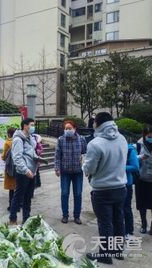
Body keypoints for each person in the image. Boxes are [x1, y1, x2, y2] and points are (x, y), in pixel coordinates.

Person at [83, 112, 127, 264]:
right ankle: (118, 250)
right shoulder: (122, 138)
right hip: (121, 187)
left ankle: (105, 254)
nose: (93, 124)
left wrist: (85, 168)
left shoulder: (95, 143)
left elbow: (90, 168)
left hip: (103, 190)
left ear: (98, 123)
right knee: (119, 220)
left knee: (105, 223)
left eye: (94, 121)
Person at [54, 120, 87, 225]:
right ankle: (65, 215)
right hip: (65, 171)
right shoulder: (61, 140)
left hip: (78, 171)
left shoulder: (81, 139)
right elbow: (57, 155)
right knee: (64, 193)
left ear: (75, 128)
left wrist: (86, 168)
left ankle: (77, 216)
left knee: (78, 194)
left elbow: (85, 154)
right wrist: (57, 168)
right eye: (66, 128)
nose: (67, 130)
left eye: (69, 128)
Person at [9, 118, 39, 225]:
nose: (33, 127)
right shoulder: (18, 139)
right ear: (25, 126)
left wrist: (37, 158)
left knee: (28, 197)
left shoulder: (30, 138)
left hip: (32, 171)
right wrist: (25, 170)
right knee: (18, 196)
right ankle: (13, 219)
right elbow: (17, 158)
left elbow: (30, 153)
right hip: (23, 173)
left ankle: (26, 219)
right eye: (31, 125)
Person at [135, 125, 152, 234]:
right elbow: (133, 159)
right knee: (142, 203)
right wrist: (140, 158)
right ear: (144, 135)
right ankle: (143, 224)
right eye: (148, 136)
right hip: (141, 178)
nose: (150, 137)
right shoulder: (138, 144)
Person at [124, 141, 139, 239]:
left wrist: (120, 168)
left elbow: (135, 167)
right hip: (114, 184)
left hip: (126, 183)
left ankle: (129, 231)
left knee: (126, 208)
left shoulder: (129, 150)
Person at [1, 128, 19, 212]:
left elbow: (4, 156)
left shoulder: (7, 143)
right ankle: (19, 204)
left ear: (8, 134)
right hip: (19, 167)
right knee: (18, 187)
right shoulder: (19, 141)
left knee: (11, 189)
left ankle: (11, 205)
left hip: (10, 168)